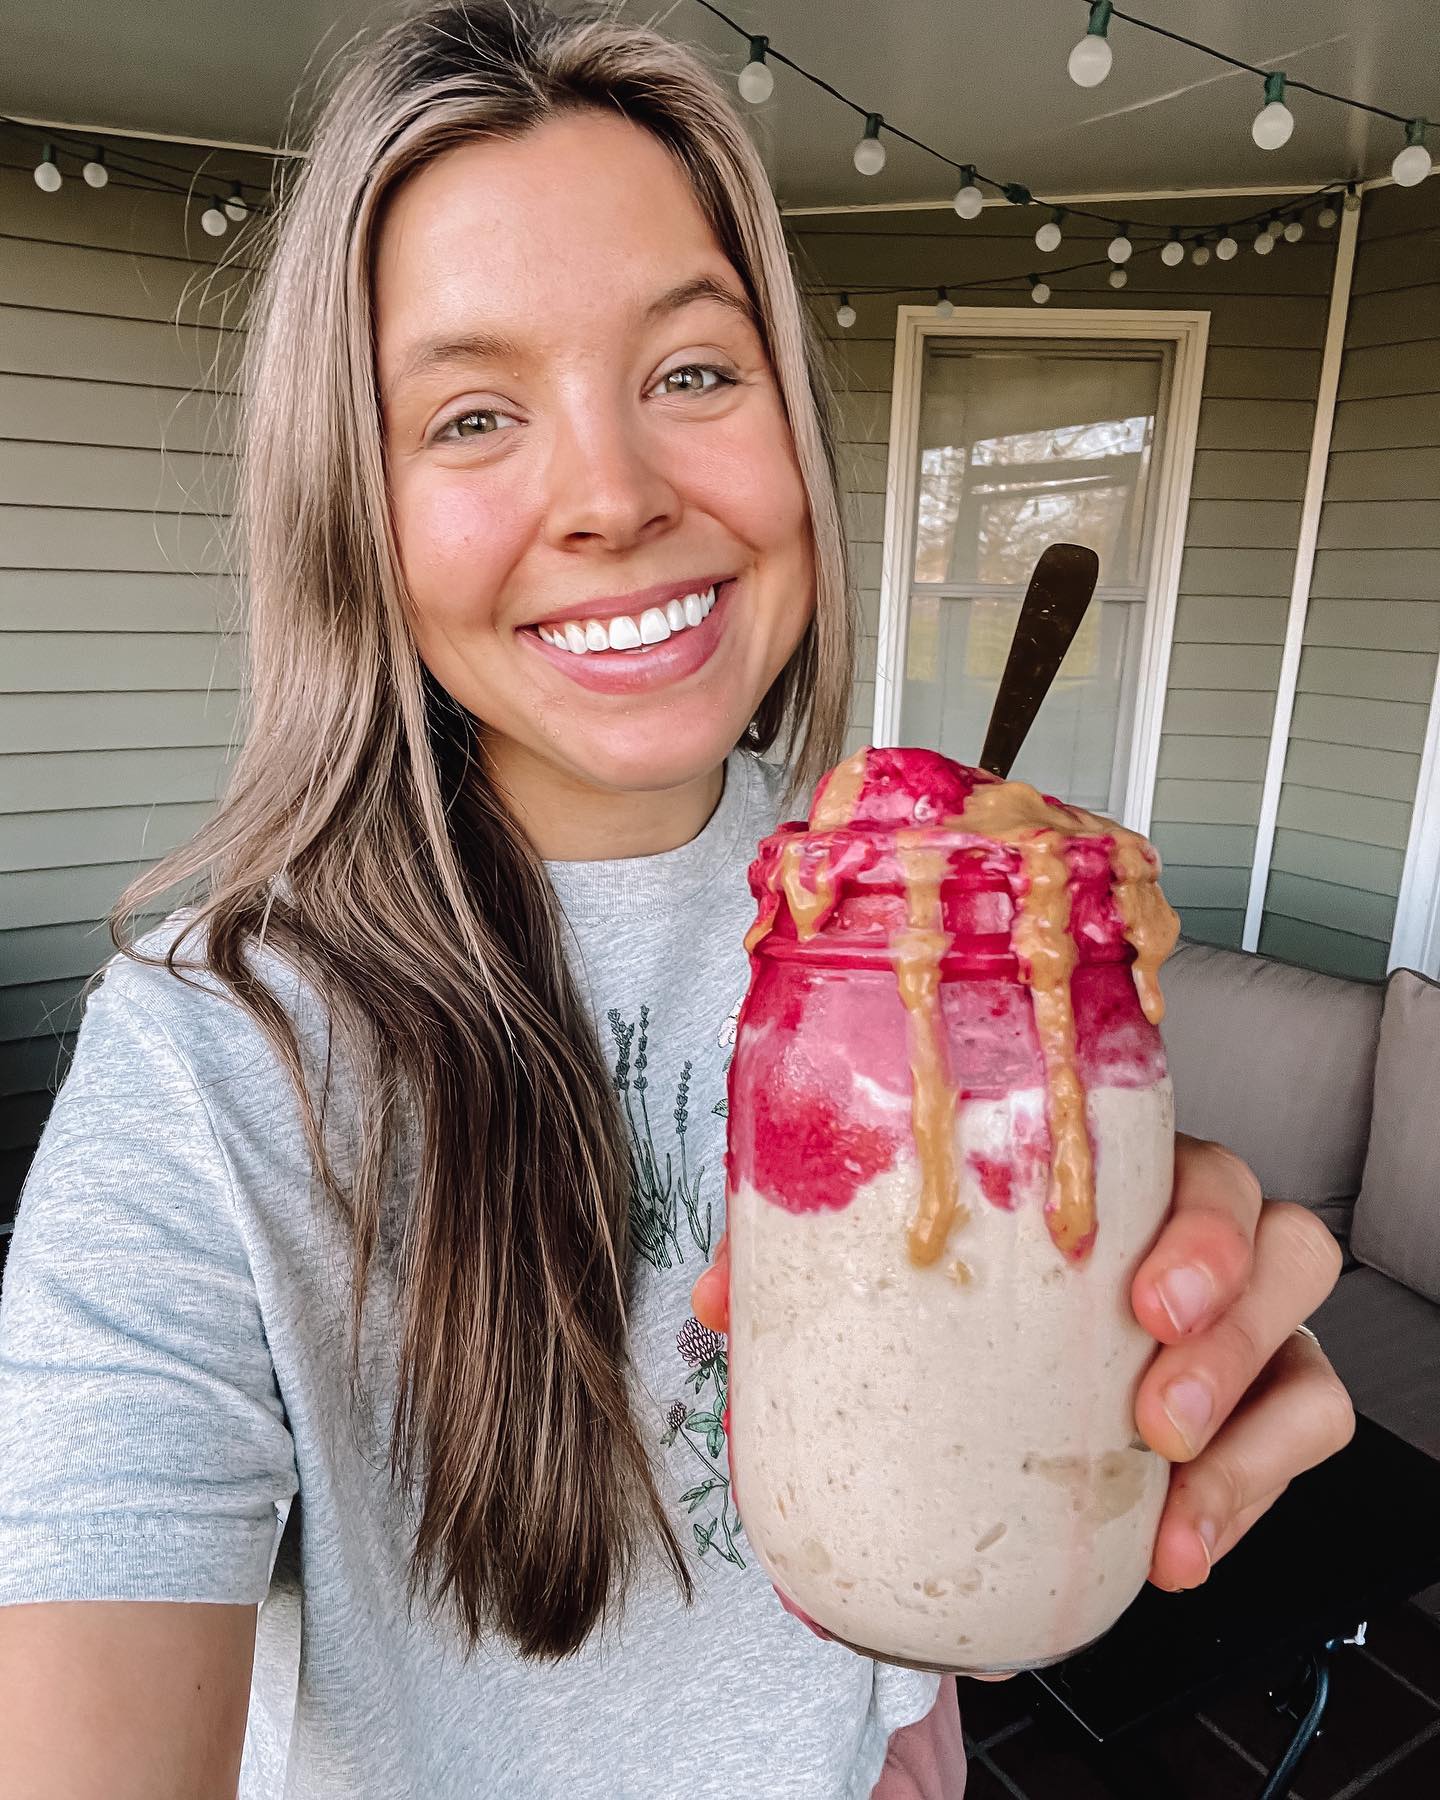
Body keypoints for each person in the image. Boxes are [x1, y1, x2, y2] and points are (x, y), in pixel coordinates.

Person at [0, 4, 1354, 1796]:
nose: (616, 497)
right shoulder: (214, 1047)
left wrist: (1146, 1389)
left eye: (695, 373)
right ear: (359, 511)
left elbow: (880, 1646)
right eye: (473, 414)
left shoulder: (946, 946)